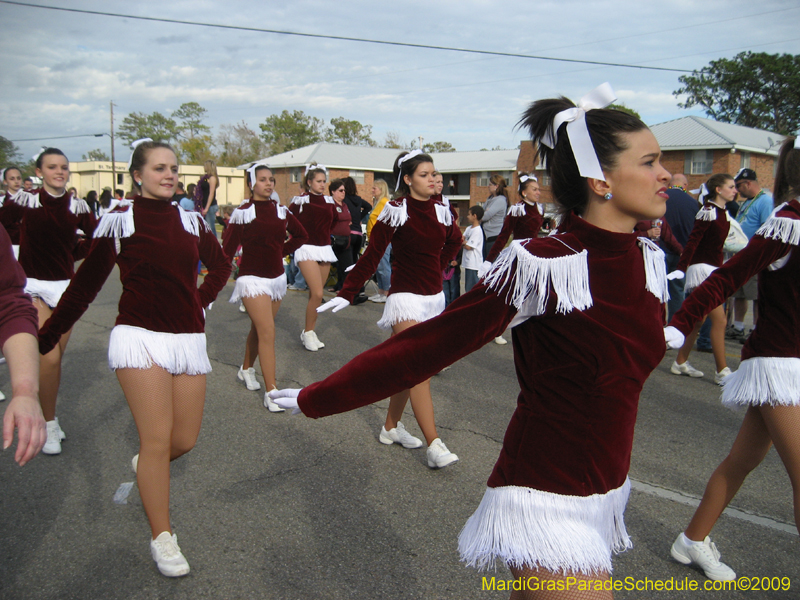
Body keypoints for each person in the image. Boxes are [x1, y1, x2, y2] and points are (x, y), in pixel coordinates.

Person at [271, 84, 673, 597]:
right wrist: (319, 395)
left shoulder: (644, 257)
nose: (667, 175)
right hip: (545, 492)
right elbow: (427, 346)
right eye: (651, 162)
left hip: (605, 489)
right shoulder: (543, 263)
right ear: (600, 180)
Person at [37, 140, 231, 577]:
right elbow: (85, 286)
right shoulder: (119, 220)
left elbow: (221, 267)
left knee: (184, 441)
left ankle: (146, 469)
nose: (169, 175)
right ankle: (163, 537)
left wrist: (198, 301)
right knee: (158, 440)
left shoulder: (190, 219)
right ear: (137, 175)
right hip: (138, 337)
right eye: (159, 168)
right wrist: (46, 336)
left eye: (174, 168)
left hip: (187, 339)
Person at [664, 137, 800, 582]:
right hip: (779, 365)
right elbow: (728, 275)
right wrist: (679, 321)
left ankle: (693, 538)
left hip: (792, 364)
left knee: (743, 460)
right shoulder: (786, 224)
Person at [317, 150, 463, 469]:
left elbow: (456, 241)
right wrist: (348, 289)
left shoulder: (442, 210)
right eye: (424, 175)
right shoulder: (395, 210)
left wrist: (437, 268)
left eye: (433, 173)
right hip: (405, 299)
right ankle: (434, 443)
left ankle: (390, 427)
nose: (432, 179)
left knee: (409, 369)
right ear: (408, 179)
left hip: (433, 299)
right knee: (420, 368)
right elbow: (372, 254)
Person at [10, 148, 97, 455]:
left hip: (65, 289)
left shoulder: (78, 206)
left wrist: (74, 251)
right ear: (40, 171)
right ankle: (49, 422)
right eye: (52, 167)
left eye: (63, 167)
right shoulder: (25, 201)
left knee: (55, 357)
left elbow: (98, 237)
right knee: (49, 356)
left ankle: (40, 402)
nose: (59, 172)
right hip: (33, 287)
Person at [222, 164, 307, 410]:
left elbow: (301, 235)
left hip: (277, 279)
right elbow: (226, 251)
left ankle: (246, 369)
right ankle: (272, 392)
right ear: (252, 184)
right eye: (262, 180)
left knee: (259, 330)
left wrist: (282, 251)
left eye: (271, 179)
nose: (268, 183)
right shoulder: (242, 213)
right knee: (268, 331)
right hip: (251, 279)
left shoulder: (281, 211)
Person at [668, 174, 736, 384]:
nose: (735, 190)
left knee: (699, 320)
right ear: (718, 189)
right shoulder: (708, 211)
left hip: (715, 269)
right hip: (703, 271)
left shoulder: (724, 213)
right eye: (731, 187)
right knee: (720, 320)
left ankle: (680, 361)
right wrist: (682, 267)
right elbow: (693, 242)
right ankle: (722, 370)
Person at [1, 223, 46, 466]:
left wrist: (25, 390)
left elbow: (7, 302)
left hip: (56, 282)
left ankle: (50, 419)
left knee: (52, 359)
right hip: (40, 284)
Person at [289, 164, 337, 351]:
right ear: (309, 182)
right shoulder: (300, 201)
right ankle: (308, 333)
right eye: (319, 181)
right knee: (317, 293)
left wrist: (324, 236)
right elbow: (288, 220)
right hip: (306, 248)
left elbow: (332, 222)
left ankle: (309, 330)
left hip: (324, 248)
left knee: (316, 295)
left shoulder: (329, 201)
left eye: (324, 181)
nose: (322, 184)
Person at [728, 168, 775, 342]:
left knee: (755, 295)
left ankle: (756, 330)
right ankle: (738, 327)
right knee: (740, 293)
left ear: (748, 183)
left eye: (739, 185)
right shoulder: (747, 202)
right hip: (741, 256)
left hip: (755, 257)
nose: (737, 190)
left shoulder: (765, 202)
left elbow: (766, 229)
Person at [663, 174, 701, 321]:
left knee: (657, 290)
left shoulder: (662, 198)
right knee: (678, 291)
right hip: (683, 253)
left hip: (661, 249)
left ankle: (655, 324)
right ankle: (675, 324)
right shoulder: (693, 203)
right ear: (685, 185)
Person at [342, 176, 372, 303]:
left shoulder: (344, 199)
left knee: (346, 265)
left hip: (348, 234)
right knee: (355, 263)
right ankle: (359, 289)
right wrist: (359, 217)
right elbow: (369, 206)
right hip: (358, 234)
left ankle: (349, 293)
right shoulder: (358, 200)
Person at [366, 179, 392, 303]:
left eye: (374, 188)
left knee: (383, 266)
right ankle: (381, 291)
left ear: (381, 190)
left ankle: (387, 292)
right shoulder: (378, 202)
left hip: (382, 239)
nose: (372, 190)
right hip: (375, 239)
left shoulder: (384, 202)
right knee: (379, 266)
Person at [328, 179, 352, 293]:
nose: (343, 192)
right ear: (333, 191)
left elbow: (349, 219)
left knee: (346, 265)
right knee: (334, 264)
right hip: (334, 239)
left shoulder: (345, 205)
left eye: (344, 190)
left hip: (346, 239)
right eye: (340, 190)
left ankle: (343, 286)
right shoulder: (330, 204)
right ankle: (337, 286)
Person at [481, 175, 508, 260]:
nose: (488, 186)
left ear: (496, 186)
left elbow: (485, 216)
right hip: (486, 236)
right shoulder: (490, 199)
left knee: (491, 262)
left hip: (493, 237)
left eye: (490, 184)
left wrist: (484, 212)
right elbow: (480, 212)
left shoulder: (500, 200)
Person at [0, 166, 24, 258]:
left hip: (27, 246)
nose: (16, 181)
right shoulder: (2, 202)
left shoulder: (31, 200)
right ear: (5, 182)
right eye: (12, 179)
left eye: (18, 178)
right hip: (7, 246)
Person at [462, 205, 484, 293]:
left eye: (469, 214)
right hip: (467, 263)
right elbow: (462, 239)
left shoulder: (477, 231)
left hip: (473, 264)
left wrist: (464, 243)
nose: (467, 216)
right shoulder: (468, 228)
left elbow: (468, 246)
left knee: (471, 288)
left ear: (474, 216)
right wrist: (464, 242)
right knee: (467, 286)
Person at [199, 160, 220, 236]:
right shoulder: (206, 178)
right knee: (205, 228)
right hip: (204, 205)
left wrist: (207, 208)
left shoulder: (212, 178)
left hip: (210, 206)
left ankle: (215, 246)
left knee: (210, 228)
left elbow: (211, 194)